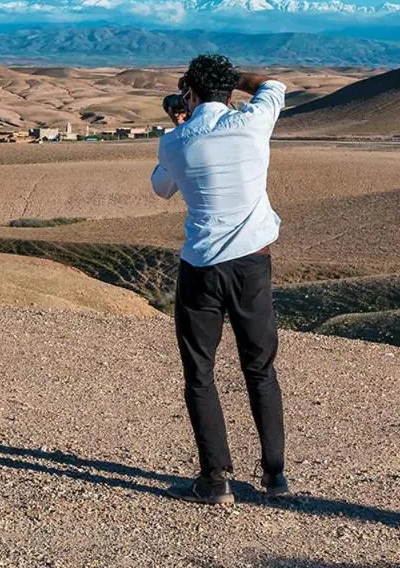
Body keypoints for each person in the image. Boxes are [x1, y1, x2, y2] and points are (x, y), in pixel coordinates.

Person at [151, 53, 290, 506]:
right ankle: (275, 475)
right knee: (260, 369)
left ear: (189, 93)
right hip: (252, 265)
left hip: (201, 269)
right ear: (229, 92)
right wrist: (236, 80)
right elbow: (273, 84)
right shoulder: (252, 123)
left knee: (200, 373)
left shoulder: (174, 142)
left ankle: (215, 479)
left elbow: (161, 187)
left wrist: (178, 125)